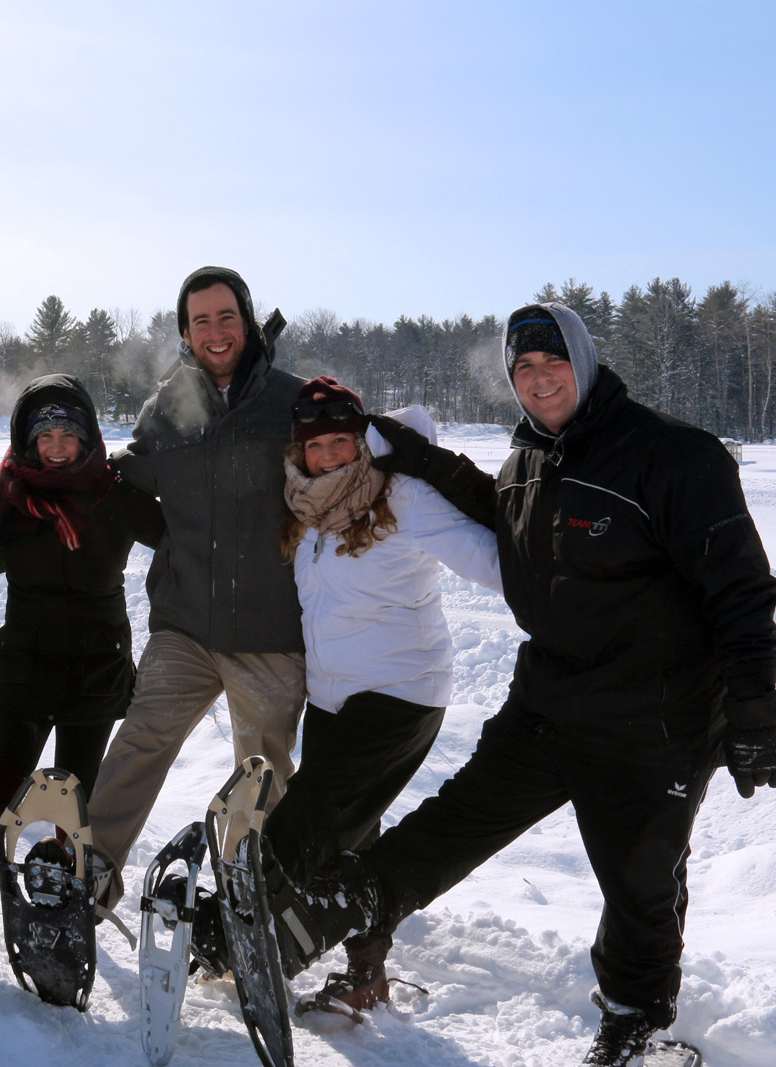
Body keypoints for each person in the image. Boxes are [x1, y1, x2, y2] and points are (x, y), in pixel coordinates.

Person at [265, 303, 776, 1067]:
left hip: (656, 717)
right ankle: (338, 906)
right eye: (523, 368)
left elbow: (741, 587)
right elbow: (501, 518)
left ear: (581, 362)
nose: (539, 378)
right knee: (457, 821)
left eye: (551, 363)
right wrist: (422, 456)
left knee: (640, 882)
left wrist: (755, 706)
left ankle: (636, 1026)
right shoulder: (527, 461)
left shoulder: (674, 455)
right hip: (550, 701)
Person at [197, 375, 502, 1012]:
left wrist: (573, 601)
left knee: (309, 813)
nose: (330, 455)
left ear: (362, 440)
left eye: (342, 440)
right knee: (355, 836)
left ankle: (227, 933)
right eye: (317, 446)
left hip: (402, 690)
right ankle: (367, 974)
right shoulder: (304, 511)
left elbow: (494, 561)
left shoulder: (406, 497)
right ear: (299, 453)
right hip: (334, 696)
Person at [85, 266, 308, 913]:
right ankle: (88, 876)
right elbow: (134, 480)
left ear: (247, 320)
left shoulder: (290, 401)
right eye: (200, 320)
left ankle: (254, 899)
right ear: (185, 332)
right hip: (185, 622)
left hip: (269, 630)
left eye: (226, 316)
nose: (215, 331)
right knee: (138, 740)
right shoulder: (170, 406)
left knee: (262, 772)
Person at [0, 374, 164, 817]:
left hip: (95, 659)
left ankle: (67, 871)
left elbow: (179, 535)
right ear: (27, 439)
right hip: (24, 656)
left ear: (88, 438)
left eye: (68, 435)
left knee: (75, 788)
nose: (57, 447)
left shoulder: (114, 492)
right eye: (45, 435)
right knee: (5, 770)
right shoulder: (10, 491)